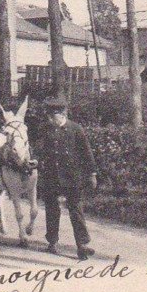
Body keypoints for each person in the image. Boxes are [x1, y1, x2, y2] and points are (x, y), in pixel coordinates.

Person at [36, 93, 97, 261]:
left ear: (61, 115)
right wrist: (35, 160)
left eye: (52, 116)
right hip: (51, 177)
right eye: (48, 116)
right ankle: (52, 242)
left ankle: (82, 245)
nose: (50, 120)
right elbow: (39, 149)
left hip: (72, 178)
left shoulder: (76, 129)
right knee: (52, 210)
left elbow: (87, 153)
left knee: (76, 210)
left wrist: (92, 173)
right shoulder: (45, 129)